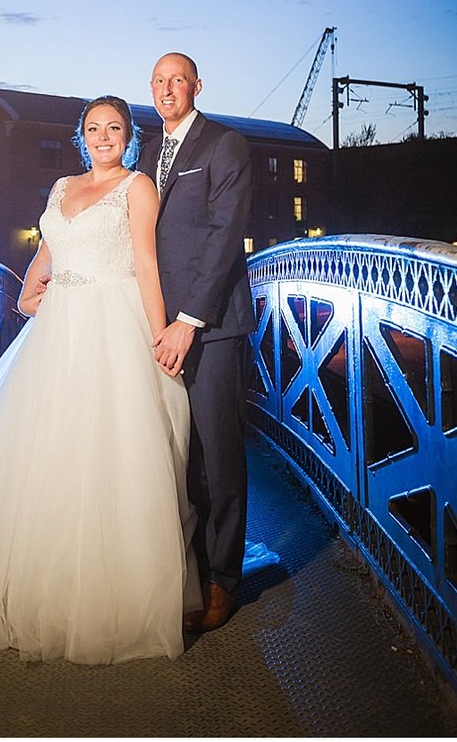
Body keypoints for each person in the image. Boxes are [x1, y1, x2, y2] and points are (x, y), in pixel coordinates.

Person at [0, 95, 198, 663]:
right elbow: (47, 257)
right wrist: (32, 292)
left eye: (114, 128)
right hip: (59, 323)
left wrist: (158, 337)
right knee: (42, 446)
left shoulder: (137, 187)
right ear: (80, 137)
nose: (104, 136)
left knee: (106, 448)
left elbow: (148, 263)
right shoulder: (60, 188)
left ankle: (103, 597)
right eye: (93, 128)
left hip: (114, 319)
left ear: (129, 137)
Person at [140, 52, 255, 633]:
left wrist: (189, 320)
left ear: (196, 86)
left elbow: (223, 236)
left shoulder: (223, 144)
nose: (167, 90)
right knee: (175, 453)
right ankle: (186, 566)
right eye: (158, 81)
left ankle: (222, 581)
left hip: (208, 325)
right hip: (156, 327)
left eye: (177, 80)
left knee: (218, 453)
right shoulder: (147, 153)